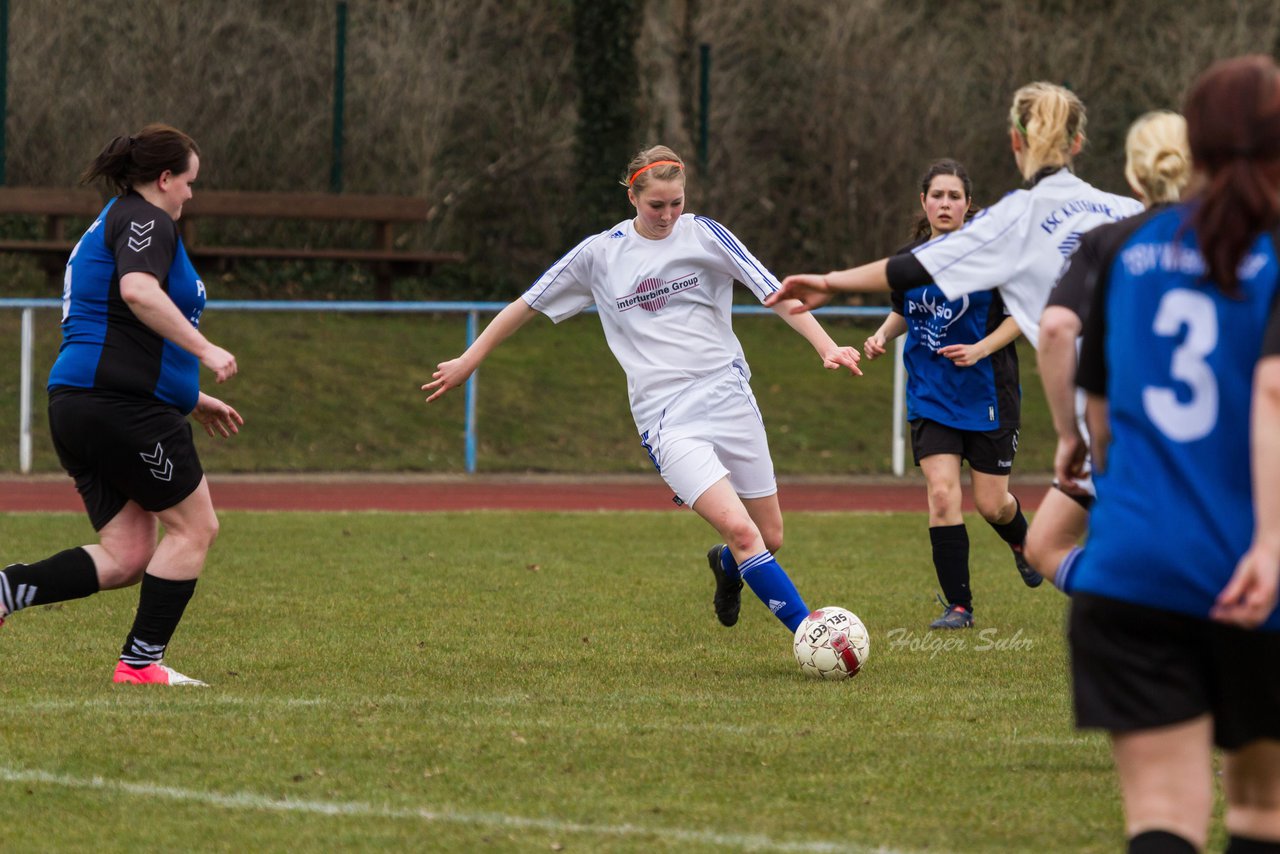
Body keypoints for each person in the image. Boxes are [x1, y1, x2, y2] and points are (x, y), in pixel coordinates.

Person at [424, 145, 862, 635]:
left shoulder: (705, 234)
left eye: (677, 202)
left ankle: (726, 565)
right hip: (667, 418)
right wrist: (469, 360)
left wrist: (825, 346)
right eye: (657, 205)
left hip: (728, 395)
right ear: (632, 195)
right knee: (743, 532)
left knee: (769, 536)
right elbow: (525, 304)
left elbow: (774, 292)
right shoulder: (600, 254)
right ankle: (814, 635)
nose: (669, 215)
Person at [1067, 55, 1280, 854]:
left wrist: (1071, 450)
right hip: (1253, 566)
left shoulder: (1128, 246)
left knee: (1162, 817)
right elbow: (1273, 393)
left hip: (1134, 566)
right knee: (1262, 812)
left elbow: (1099, 417)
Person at [0, 124, 242, 686]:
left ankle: (7, 589)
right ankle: (139, 665)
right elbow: (137, 292)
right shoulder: (144, 219)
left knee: (129, 554)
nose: (191, 194)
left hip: (83, 405)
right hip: (118, 408)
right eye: (188, 181)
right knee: (194, 528)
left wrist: (192, 397)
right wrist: (205, 349)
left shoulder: (121, 218)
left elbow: (117, 326)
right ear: (163, 179)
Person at [862, 159, 1036, 631]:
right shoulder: (910, 262)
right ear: (924, 202)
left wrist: (981, 347)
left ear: (967, 205)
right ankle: (959, 607)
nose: (944, 203)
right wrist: (881, 335)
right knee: (942, 496)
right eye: (936, 195)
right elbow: (905, 311)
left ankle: (1024, 542)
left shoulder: (994, 259)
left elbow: (1023, 316)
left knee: (992, 505)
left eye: (954, 196)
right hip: (931, 393)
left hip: (988, 393)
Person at [1032, 110, 1192, 590]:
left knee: (1050, 548)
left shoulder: (1108, 242)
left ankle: (1127, 605)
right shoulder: (1244, 243)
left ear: (1131, 174)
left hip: (1131, 444)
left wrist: (1074, 436)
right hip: (1220, 445)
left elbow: (1059, 327)